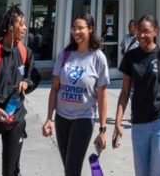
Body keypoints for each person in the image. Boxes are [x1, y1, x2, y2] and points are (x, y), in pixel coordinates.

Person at [114, 15, 160, 176]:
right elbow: (125, 92)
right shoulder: (131, 57)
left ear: (155, 31)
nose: (141, 35)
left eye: (146, 31)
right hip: (138, 124)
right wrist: (118, 122)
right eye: (139, 31)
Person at [0, 6, 41, 176]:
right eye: (22, 24)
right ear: (10, 26)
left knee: (11, 171)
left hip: (15, 119)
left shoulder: (25, 53)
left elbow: (34, 76)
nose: (25, 28)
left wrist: (26, 83)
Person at [43, 13, 110, 176]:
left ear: (90, 29)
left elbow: (102, 96)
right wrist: (49, 118)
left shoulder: (98, 58)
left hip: (84, 118)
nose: (76, 32)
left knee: (72, 169)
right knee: (68, 167)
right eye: (74, 28)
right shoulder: (65, 54)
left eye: (80, 28)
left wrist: (102, 130)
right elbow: (54, 88)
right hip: (62, 118)